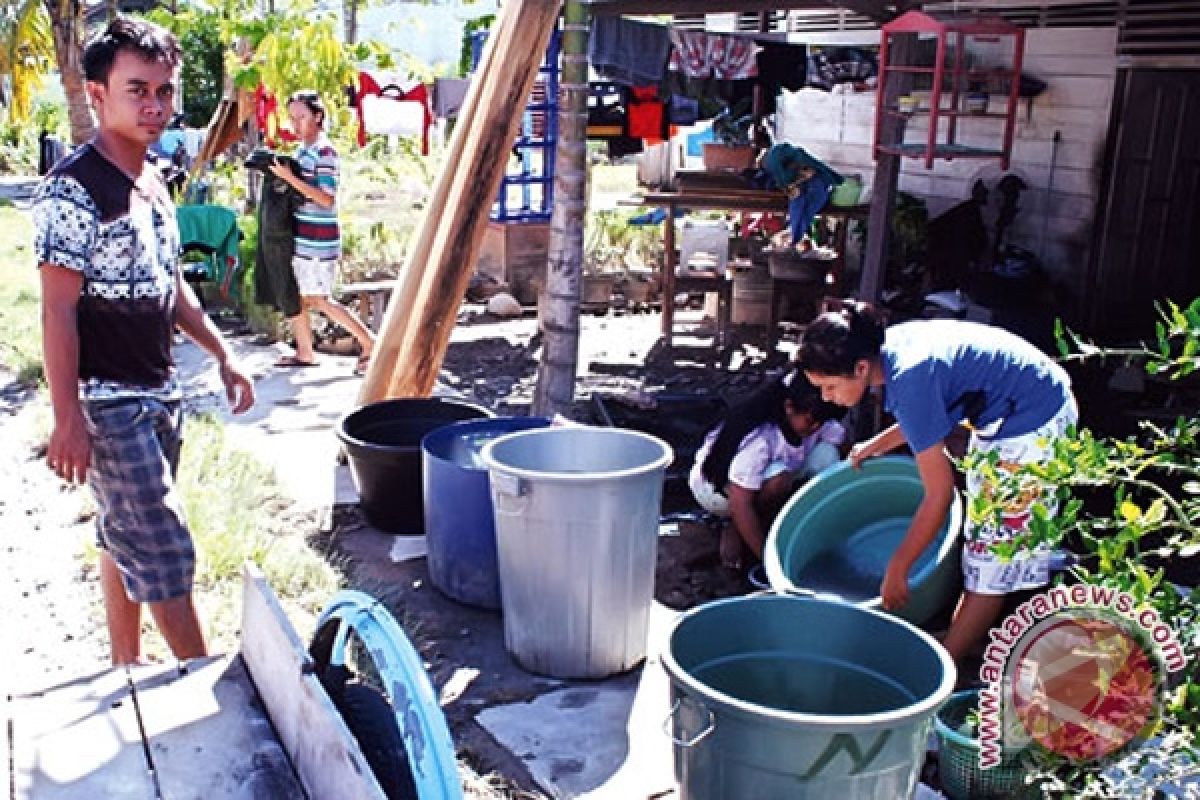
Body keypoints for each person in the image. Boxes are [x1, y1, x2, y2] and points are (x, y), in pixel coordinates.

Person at [33, 17, 256, 666]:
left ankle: (125, 667)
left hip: (162, 392)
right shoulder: (73, 189)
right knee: (163, 547)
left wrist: (223, 353)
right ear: (98, 94)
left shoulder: (155, 181)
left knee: (123, 535)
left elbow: (172, 286)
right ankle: (213, 693)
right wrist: (67, 417)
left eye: (164, 90)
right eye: (138, 90)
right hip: (109, 404)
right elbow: (56, 310)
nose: (156, 106)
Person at [797, 302, 1077, 662]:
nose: (825, 398)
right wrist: (878, 444)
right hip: (1013, 403)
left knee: (992, 560)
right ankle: (968, 634)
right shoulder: (888, 350)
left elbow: (939, 495)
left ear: (861, 367)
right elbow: (928, 413)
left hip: (1035, 419)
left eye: (830, 386)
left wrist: (898, 568)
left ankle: (947, 668)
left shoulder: (910, 375)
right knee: (988, 542)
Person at [689, 369, 846, 570]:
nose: (815, 427)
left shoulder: (816, 420)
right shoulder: (762, 438)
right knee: (778, 478)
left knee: (828, 454)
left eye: (819, 423)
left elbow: (844, 449)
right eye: (809, 421)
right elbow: (740, 501)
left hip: (766, 478)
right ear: (789, 407)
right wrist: (770, 563)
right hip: (719, 492)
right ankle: (736, 525)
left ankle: (766, 521)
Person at [268, 90, 375, 372]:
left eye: (301, 117)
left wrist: (289, 178)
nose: (295, 124)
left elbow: (326, 198)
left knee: (318, 299)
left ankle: (370, 343)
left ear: (317, 116)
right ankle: (305, 352)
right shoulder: (303, 151)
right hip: (304, 236)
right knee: (300, 296)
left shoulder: (325, 153)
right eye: (292, 118)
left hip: (319, 239)